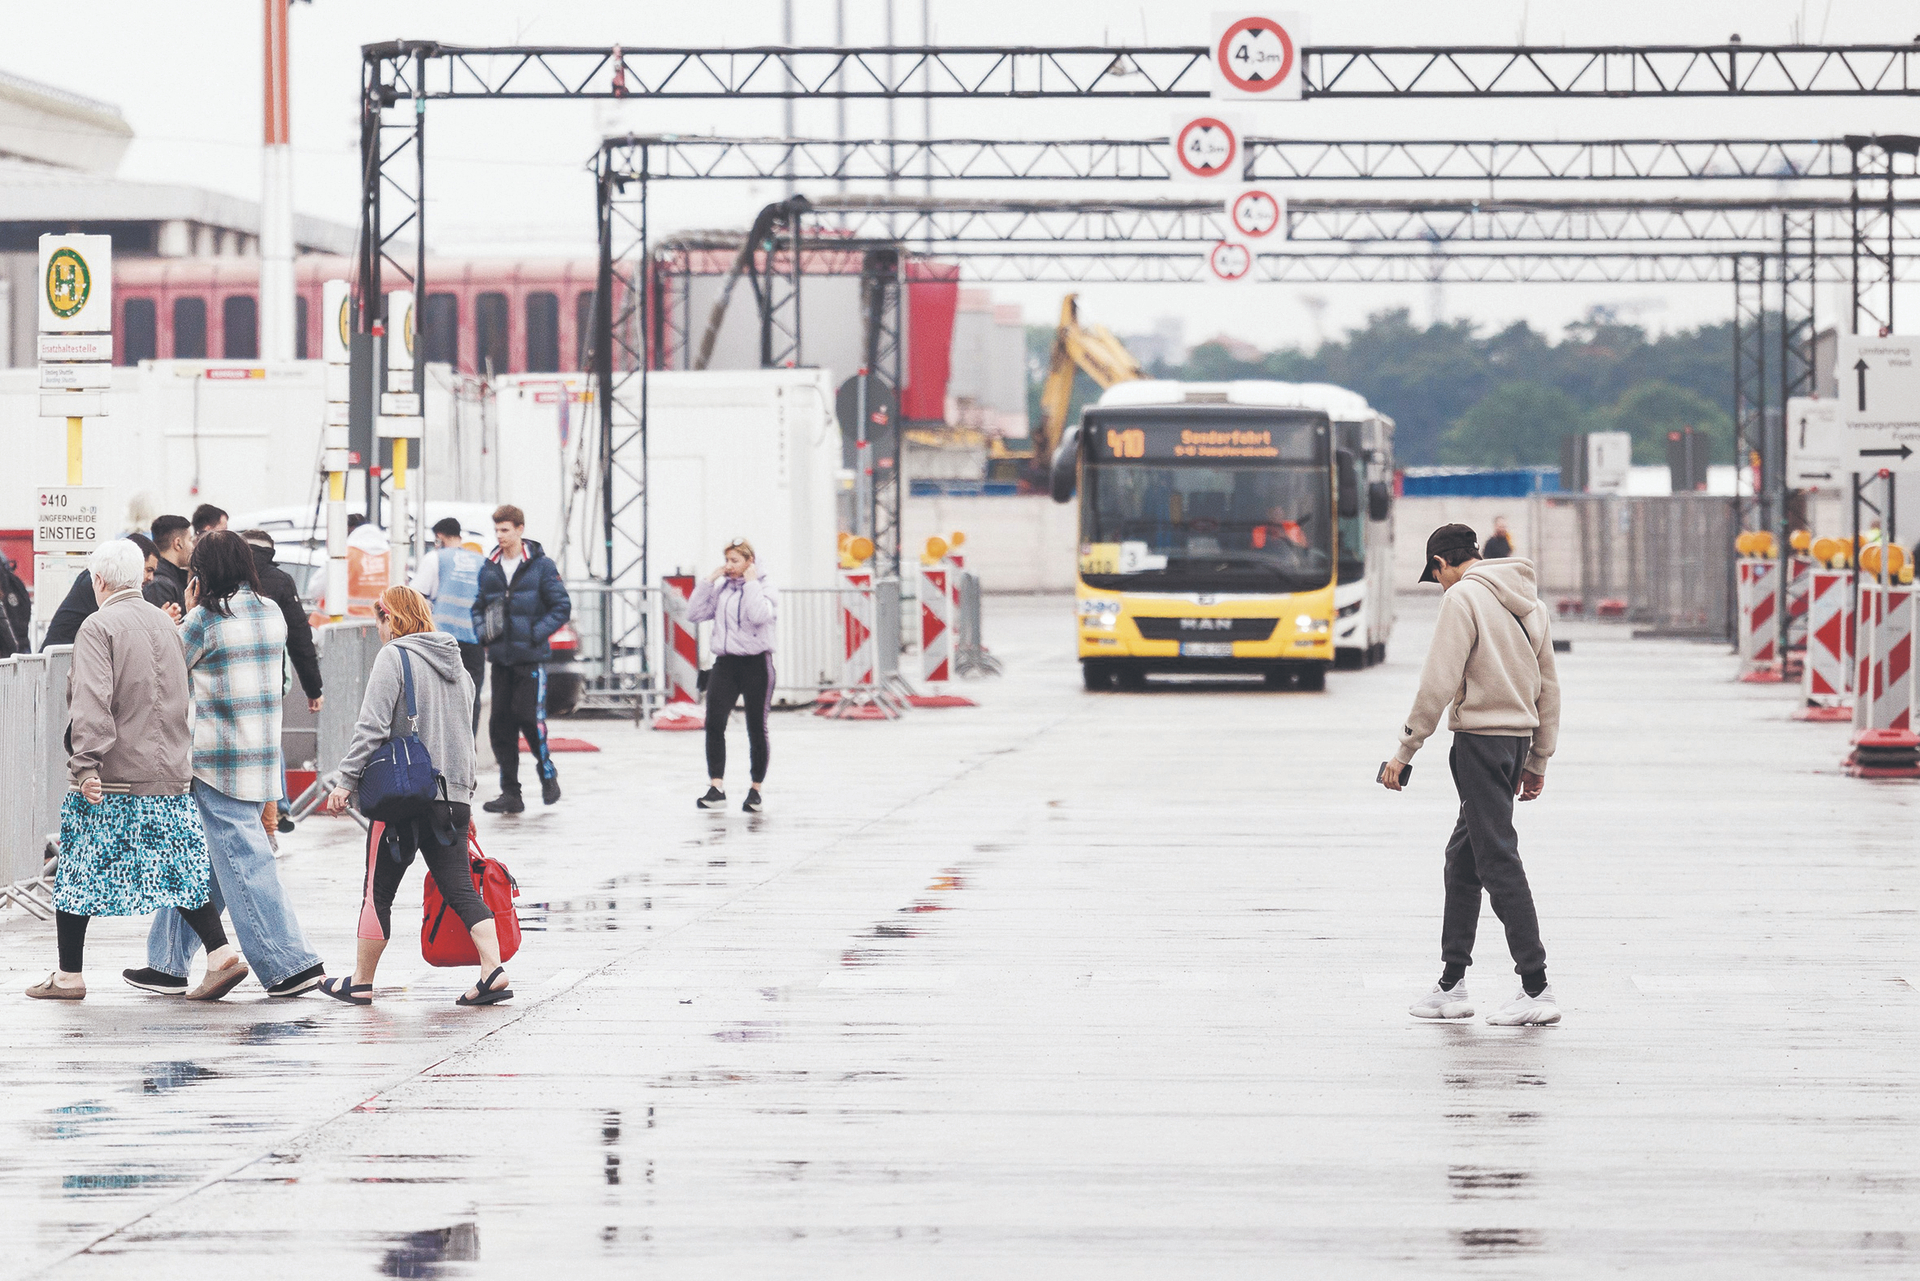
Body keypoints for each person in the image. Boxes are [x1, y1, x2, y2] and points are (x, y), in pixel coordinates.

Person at [28, 542, 247, 1001]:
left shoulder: (97, 626)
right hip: (168, 771)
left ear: (98, 581)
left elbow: (92, 700)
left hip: (113, 776)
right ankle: (220, 953)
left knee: (78, 869)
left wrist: (85, 764)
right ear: (139, 579)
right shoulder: (166, 626)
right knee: (179, 867)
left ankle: (69, 975)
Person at [125, 531, 327, 999]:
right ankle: (166, 963)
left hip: (215, 760)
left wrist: (189, 608)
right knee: (202, 863)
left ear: (205, 571)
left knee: (244, 863)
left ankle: (290, 963)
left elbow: (163, 670)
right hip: (258, 756)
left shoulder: (204, 620)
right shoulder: (270, 611)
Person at [1381, 523, 1562, 1027]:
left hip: (1479, 745)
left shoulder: (1462, 599)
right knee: (1463, 859)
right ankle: (1451, 985)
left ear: (1442, 563)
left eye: (1434, 575)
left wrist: (1404, 750)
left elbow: (1438, 681)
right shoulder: (1530, 602)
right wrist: (1538, 759)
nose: (1438, 585)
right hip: (1515, 743)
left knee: (1497, 858)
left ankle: (1537, 987)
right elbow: (1549, 688)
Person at [319, 586, 510, 1007]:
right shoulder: (460, 670)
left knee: (377, 889)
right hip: (452, 797)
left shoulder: (395, 657)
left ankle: (361, 981)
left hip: (404, 795)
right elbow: (464, 738)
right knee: (459, 886)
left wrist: (345, 782)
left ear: (390, 617)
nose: (379, 631)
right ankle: (492, 970)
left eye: (379, 622)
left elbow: (371, 727)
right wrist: (466, 800)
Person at [474, 505, 570, 813]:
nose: (500, 536)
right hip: (501, 659)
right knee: (500, 726)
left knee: (529, 719)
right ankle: (510, 793)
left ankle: (547, 774)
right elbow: (478, 606)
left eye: (505, 530)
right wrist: (483, 632)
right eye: (497, 530)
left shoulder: (541, 566)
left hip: (530, 659)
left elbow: (561, 607)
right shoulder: (490, 566)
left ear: (520, 529)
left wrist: (534, 633)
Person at [687, 538, 778, 814]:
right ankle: (716, 787)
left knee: (755, 727)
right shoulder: (723, 589)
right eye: (727, 560)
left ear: (749, 562)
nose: (729, 566)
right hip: (725, 663)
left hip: (756, 663)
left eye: (735, 561)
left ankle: (755, 789)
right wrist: (709, 580)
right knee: (714, 722)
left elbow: (759, 614)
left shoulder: (765, 587)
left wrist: (751, 583)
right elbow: (694, 613)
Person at [410, 516, 487, 731]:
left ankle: (443, 747)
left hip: (442, 640)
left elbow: (416, 595)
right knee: (471, 695)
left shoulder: (436, 558)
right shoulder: (481, 562)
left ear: (439, 537)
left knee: (440, 695)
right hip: (474, 639)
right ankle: (468, 747)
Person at [42, 532, 176, 649]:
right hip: (61, 657)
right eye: (148, 570)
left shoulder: (110, 581)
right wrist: (156, 622)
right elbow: (120, 624)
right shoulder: (98, 582)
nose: (151, 578)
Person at [146, 514, 193, 614]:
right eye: (190, 540)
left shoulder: (172, 578)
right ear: (178, 543)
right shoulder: (160, 585)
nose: (193, 546)